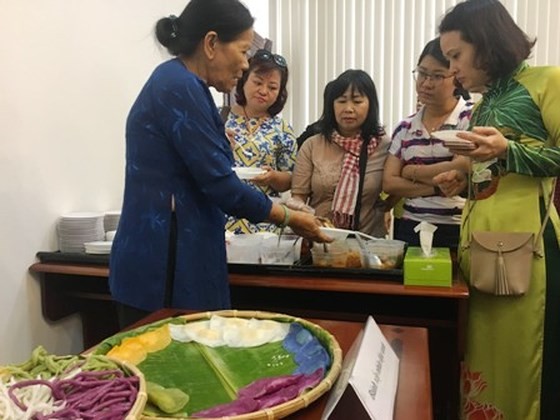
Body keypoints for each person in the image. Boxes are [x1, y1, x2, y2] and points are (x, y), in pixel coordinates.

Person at [109, 0, 330, 328]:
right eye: (243, 51)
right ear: (211, 43)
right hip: (165, 267)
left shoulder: (178, 82)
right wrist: (289, 217)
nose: (245, 65)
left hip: (168, 256)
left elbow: (190, 169)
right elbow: (221, 185)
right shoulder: (180, 86)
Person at [433, 0, 560, 418]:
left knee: (524, 360)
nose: (452, 70)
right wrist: (465, 179)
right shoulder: (484, 104)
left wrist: (506, 149)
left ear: (486, 44)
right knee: (484, 353)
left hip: (528, 248)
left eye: (456, 56)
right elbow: (494, 175)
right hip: (484, 246)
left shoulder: (547, 80)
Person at [383, 38, 474, 248]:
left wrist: (410, 172)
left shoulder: (470, 116)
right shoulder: (404, 127)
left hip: (457, 226)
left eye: (437, 76)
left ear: (456, 79)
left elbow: (463, 165)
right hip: (410, 227)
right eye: (422, 73)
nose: (426, 83)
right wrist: (437, 188)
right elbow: (389, 183)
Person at [291, 69, 391, 238]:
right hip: (320, 241)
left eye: (357, 101)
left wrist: (388, 207)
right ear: (332, 105)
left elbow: (396, 186)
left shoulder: (384, 146)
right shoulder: (312, 145)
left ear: (370, 105)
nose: (348, 109)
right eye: (341, 101)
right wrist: (303, 214)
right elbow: (297, 198)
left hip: (368, 243)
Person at [225, 49, 297, 234]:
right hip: (220, 218)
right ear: (243, 81)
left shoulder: (282, 129)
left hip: (264, 223)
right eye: (257, 82)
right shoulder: (218, 118)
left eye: (272, 87)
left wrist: (272, 177)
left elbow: (290, 179)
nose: (263, 91)